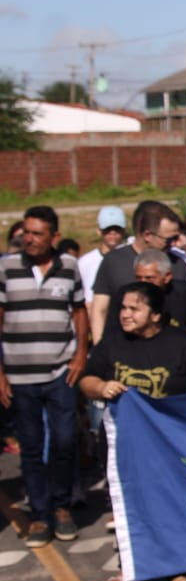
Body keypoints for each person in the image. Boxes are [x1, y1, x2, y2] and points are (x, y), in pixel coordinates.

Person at [80, 281, 186, 581]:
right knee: (130, 506)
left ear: (154, 315)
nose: (124, 314)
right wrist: (100, 388)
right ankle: (132, 565)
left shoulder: (177, 341)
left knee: (170, 505)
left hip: (167, 443)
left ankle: (176, 570)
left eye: (133, 308)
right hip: (122, 445)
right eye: (123, 308)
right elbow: (87, 379)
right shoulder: (112, 342)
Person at [0, 206, 89, 546]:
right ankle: (39, 515)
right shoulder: (7, 267)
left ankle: (62, 506)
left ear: (53, 236)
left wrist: (80, 355)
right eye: (26, 232)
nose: (29, 239)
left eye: (37, 234)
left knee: (66, 440)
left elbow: (79, 311)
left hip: (60, 371)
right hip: (20, 374)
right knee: (32, 446)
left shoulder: (69, 267)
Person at [91, 201, 186, 344]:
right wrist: (99, 350)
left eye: (175, 238)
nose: (174, 244)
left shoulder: (178, 264)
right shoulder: (113, 262)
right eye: (169, 239)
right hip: (124, 350)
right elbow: (100, 310)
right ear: (147, 235)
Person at [101, 250, 186, 341]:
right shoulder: (125, 295)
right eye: (139, 278)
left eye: (149, 278)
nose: (143, 283)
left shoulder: (182, 292)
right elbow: (111, 334)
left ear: (167, 276)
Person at [77, 206, 128, 296]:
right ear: (99, 231)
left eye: (117, 229)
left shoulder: (131, 258)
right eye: (107, 229)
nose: (112, 233)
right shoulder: (85, 262)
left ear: (124, 231)